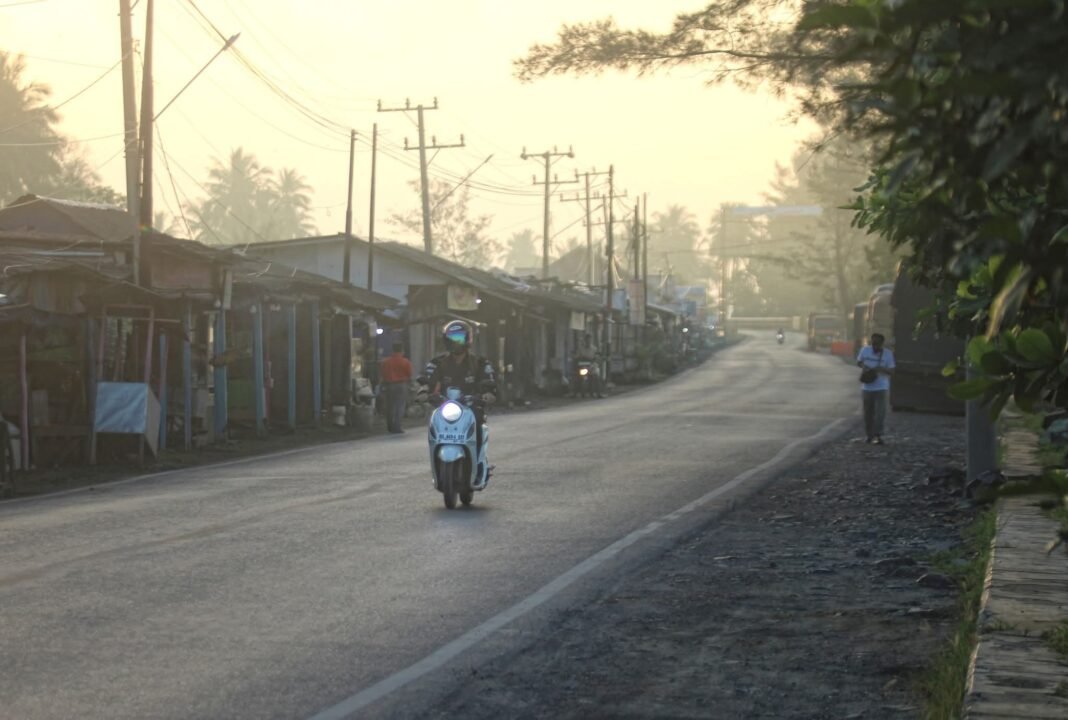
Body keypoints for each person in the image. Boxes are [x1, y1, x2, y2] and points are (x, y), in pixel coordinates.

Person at [424, 320, 497, 456]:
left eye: (459, 338)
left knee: (478, 423)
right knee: (433, 423)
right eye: (452, 338)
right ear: (446, 340)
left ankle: (478, 458)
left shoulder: (480, 363)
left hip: (471, 407)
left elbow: (488, 380)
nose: (455, 342)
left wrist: (488, 393)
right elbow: (427, 379)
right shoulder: (437, 363)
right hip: (445, 406)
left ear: (468, 339)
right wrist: (423, 391)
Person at [857, 332, 895, 444]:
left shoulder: (888, 354)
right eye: (873, 344)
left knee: (880, 413)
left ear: (882, 344)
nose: (875, 347)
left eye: (877, 344)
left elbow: (892, 371)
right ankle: (869, 435)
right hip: (867, 387)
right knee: (868, 413)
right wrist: (864, 367)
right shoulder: (865, 350)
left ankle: (878, 435)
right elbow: (859, 362)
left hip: (881, 387)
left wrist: (881, 369)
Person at [379, 342, 413, 434]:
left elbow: (383, 374)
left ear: (392, 350)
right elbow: (409, 374)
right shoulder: (405, 362)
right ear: (402, 350)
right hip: (401, 385)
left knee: (390, 406)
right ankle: (397, 427)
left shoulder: (386, 362)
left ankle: (390, 426)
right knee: (400, 406)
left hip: (389, 385)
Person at [573, 333, 603, 398]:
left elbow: (596, 357)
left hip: (591, 367)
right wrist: (577, 358)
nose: (588, 341)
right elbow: (576, 357)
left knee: (596, 376)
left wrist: (595, 360)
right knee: (577, 377)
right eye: (587, 340)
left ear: (591, 340)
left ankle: (598, 393)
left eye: (589, 340)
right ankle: (575, 393)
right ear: (585, 340)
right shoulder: (581, 349)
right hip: (583, 366)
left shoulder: (594, 349)